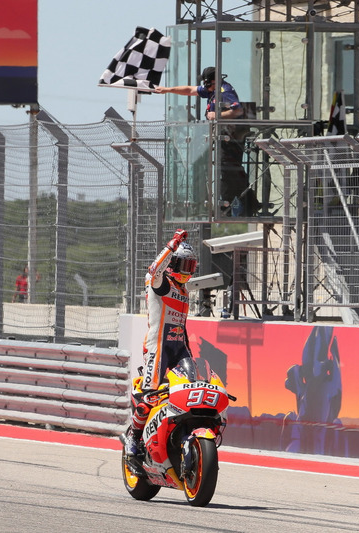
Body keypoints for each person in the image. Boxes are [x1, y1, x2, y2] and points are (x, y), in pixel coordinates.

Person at [124, 229, 198, 456]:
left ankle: (181, 435)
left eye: (191, 266)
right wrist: (173, 243)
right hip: (158, 347)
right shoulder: (160, 284)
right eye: (183, 265)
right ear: (172, 264)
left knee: (191, 389)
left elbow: (182, 327)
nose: (187, 271)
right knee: (149, 396)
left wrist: (189, 352)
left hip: (179, 348)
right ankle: (134, 439)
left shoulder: (184, 291)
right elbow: (153, 269)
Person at [154, 67, 260, 216]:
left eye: (207, 84)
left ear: (214, 81)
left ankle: (240, 204)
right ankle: (243, 203)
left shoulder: (225, 91)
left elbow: (238, 110)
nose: (206, 88)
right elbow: (190, 90)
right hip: (225, 135)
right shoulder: (212, 90)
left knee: (229, 169)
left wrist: (217, 114)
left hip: (234, 135)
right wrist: (168, 89)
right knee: (225, 169)